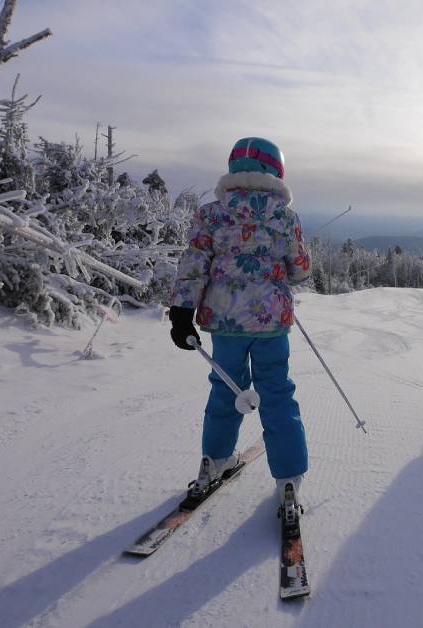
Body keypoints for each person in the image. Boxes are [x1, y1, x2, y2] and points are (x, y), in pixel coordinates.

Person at [168, 137, 311, 507]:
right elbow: (300, 270)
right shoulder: (285, 216)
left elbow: (193, 264)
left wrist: (182, 311)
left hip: (226, 323)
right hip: (271, 325)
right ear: (276, 171)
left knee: (226, 389)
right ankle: (289, 481)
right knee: (277, 395)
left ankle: (213, 461)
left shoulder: (212, 214)